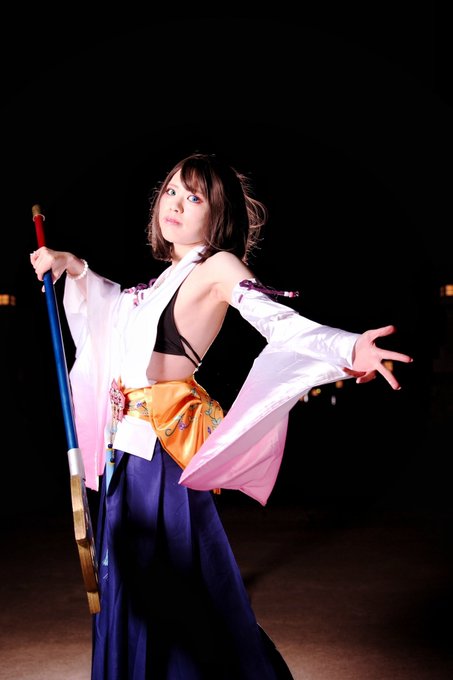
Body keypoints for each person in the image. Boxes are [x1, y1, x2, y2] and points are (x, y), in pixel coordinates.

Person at [30, 152, 413, 680]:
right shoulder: (164, 279)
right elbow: (114, 313)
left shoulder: (217, 266)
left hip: (160, 457)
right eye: (171, 191)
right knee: (133, 590)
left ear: (218, 214)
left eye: (194, 198)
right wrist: (75, 267)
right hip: (127, 454)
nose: (176, 204)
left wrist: (348, 349)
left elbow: (279, 322)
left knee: (175, 599)